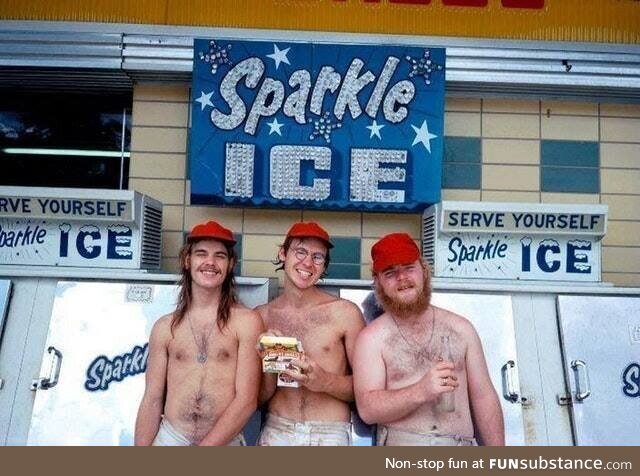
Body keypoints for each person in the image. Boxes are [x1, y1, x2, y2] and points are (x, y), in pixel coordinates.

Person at [353, 232, 504, 446]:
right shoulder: (371, 339)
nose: (402, 278)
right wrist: (421, 391)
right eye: (390, 273)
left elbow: (483, 398)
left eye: (409, 268)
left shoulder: (461, 329)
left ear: (424, 271)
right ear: (378, 282)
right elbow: (368, 409)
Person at [134, 220, 263, 446]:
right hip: (171, 438)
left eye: (220, 256)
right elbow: (152, 400)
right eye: (201, 254)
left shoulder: (246, 322)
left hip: (225, 441)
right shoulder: (165, 327)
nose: (210, 262)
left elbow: (247, 400)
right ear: (187, 260)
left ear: (231, 264)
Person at [255, 221, 365, 445]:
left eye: (317, 257)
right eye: (300, 252)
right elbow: (258, 399)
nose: (308, 263)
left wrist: (324, 381)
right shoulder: (262, 316)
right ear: (283, 254)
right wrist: (267, 365)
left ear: (324, 266)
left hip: (329, 433)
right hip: (277, 429)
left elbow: (367, 390)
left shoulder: (345, 313)